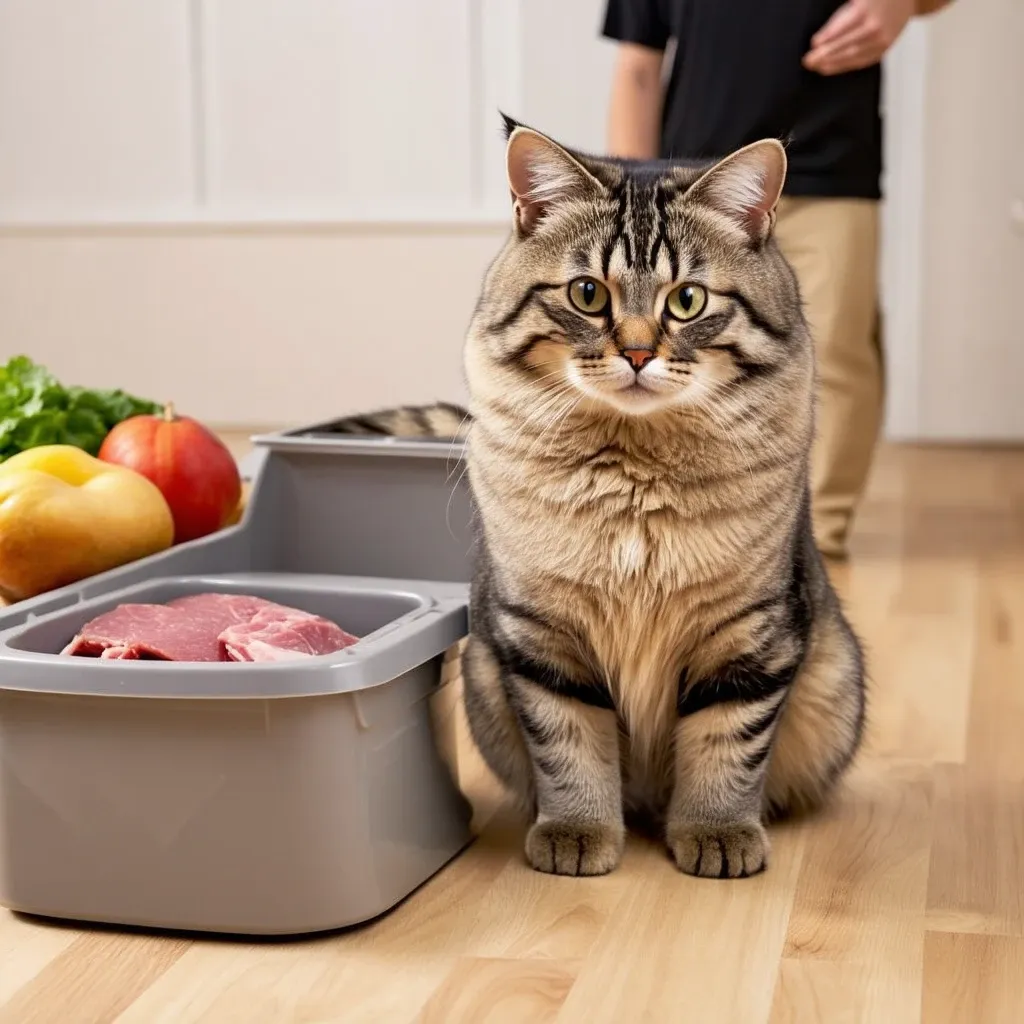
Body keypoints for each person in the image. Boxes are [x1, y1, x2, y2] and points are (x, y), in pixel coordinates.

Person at [603, 0, 952, 559]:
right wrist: (629, 194)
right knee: (683, 350)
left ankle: (811, 543)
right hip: (692, 179)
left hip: (830, 167)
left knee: (835, 348)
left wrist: (901, 5)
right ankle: (686, 520)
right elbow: (638, 66)